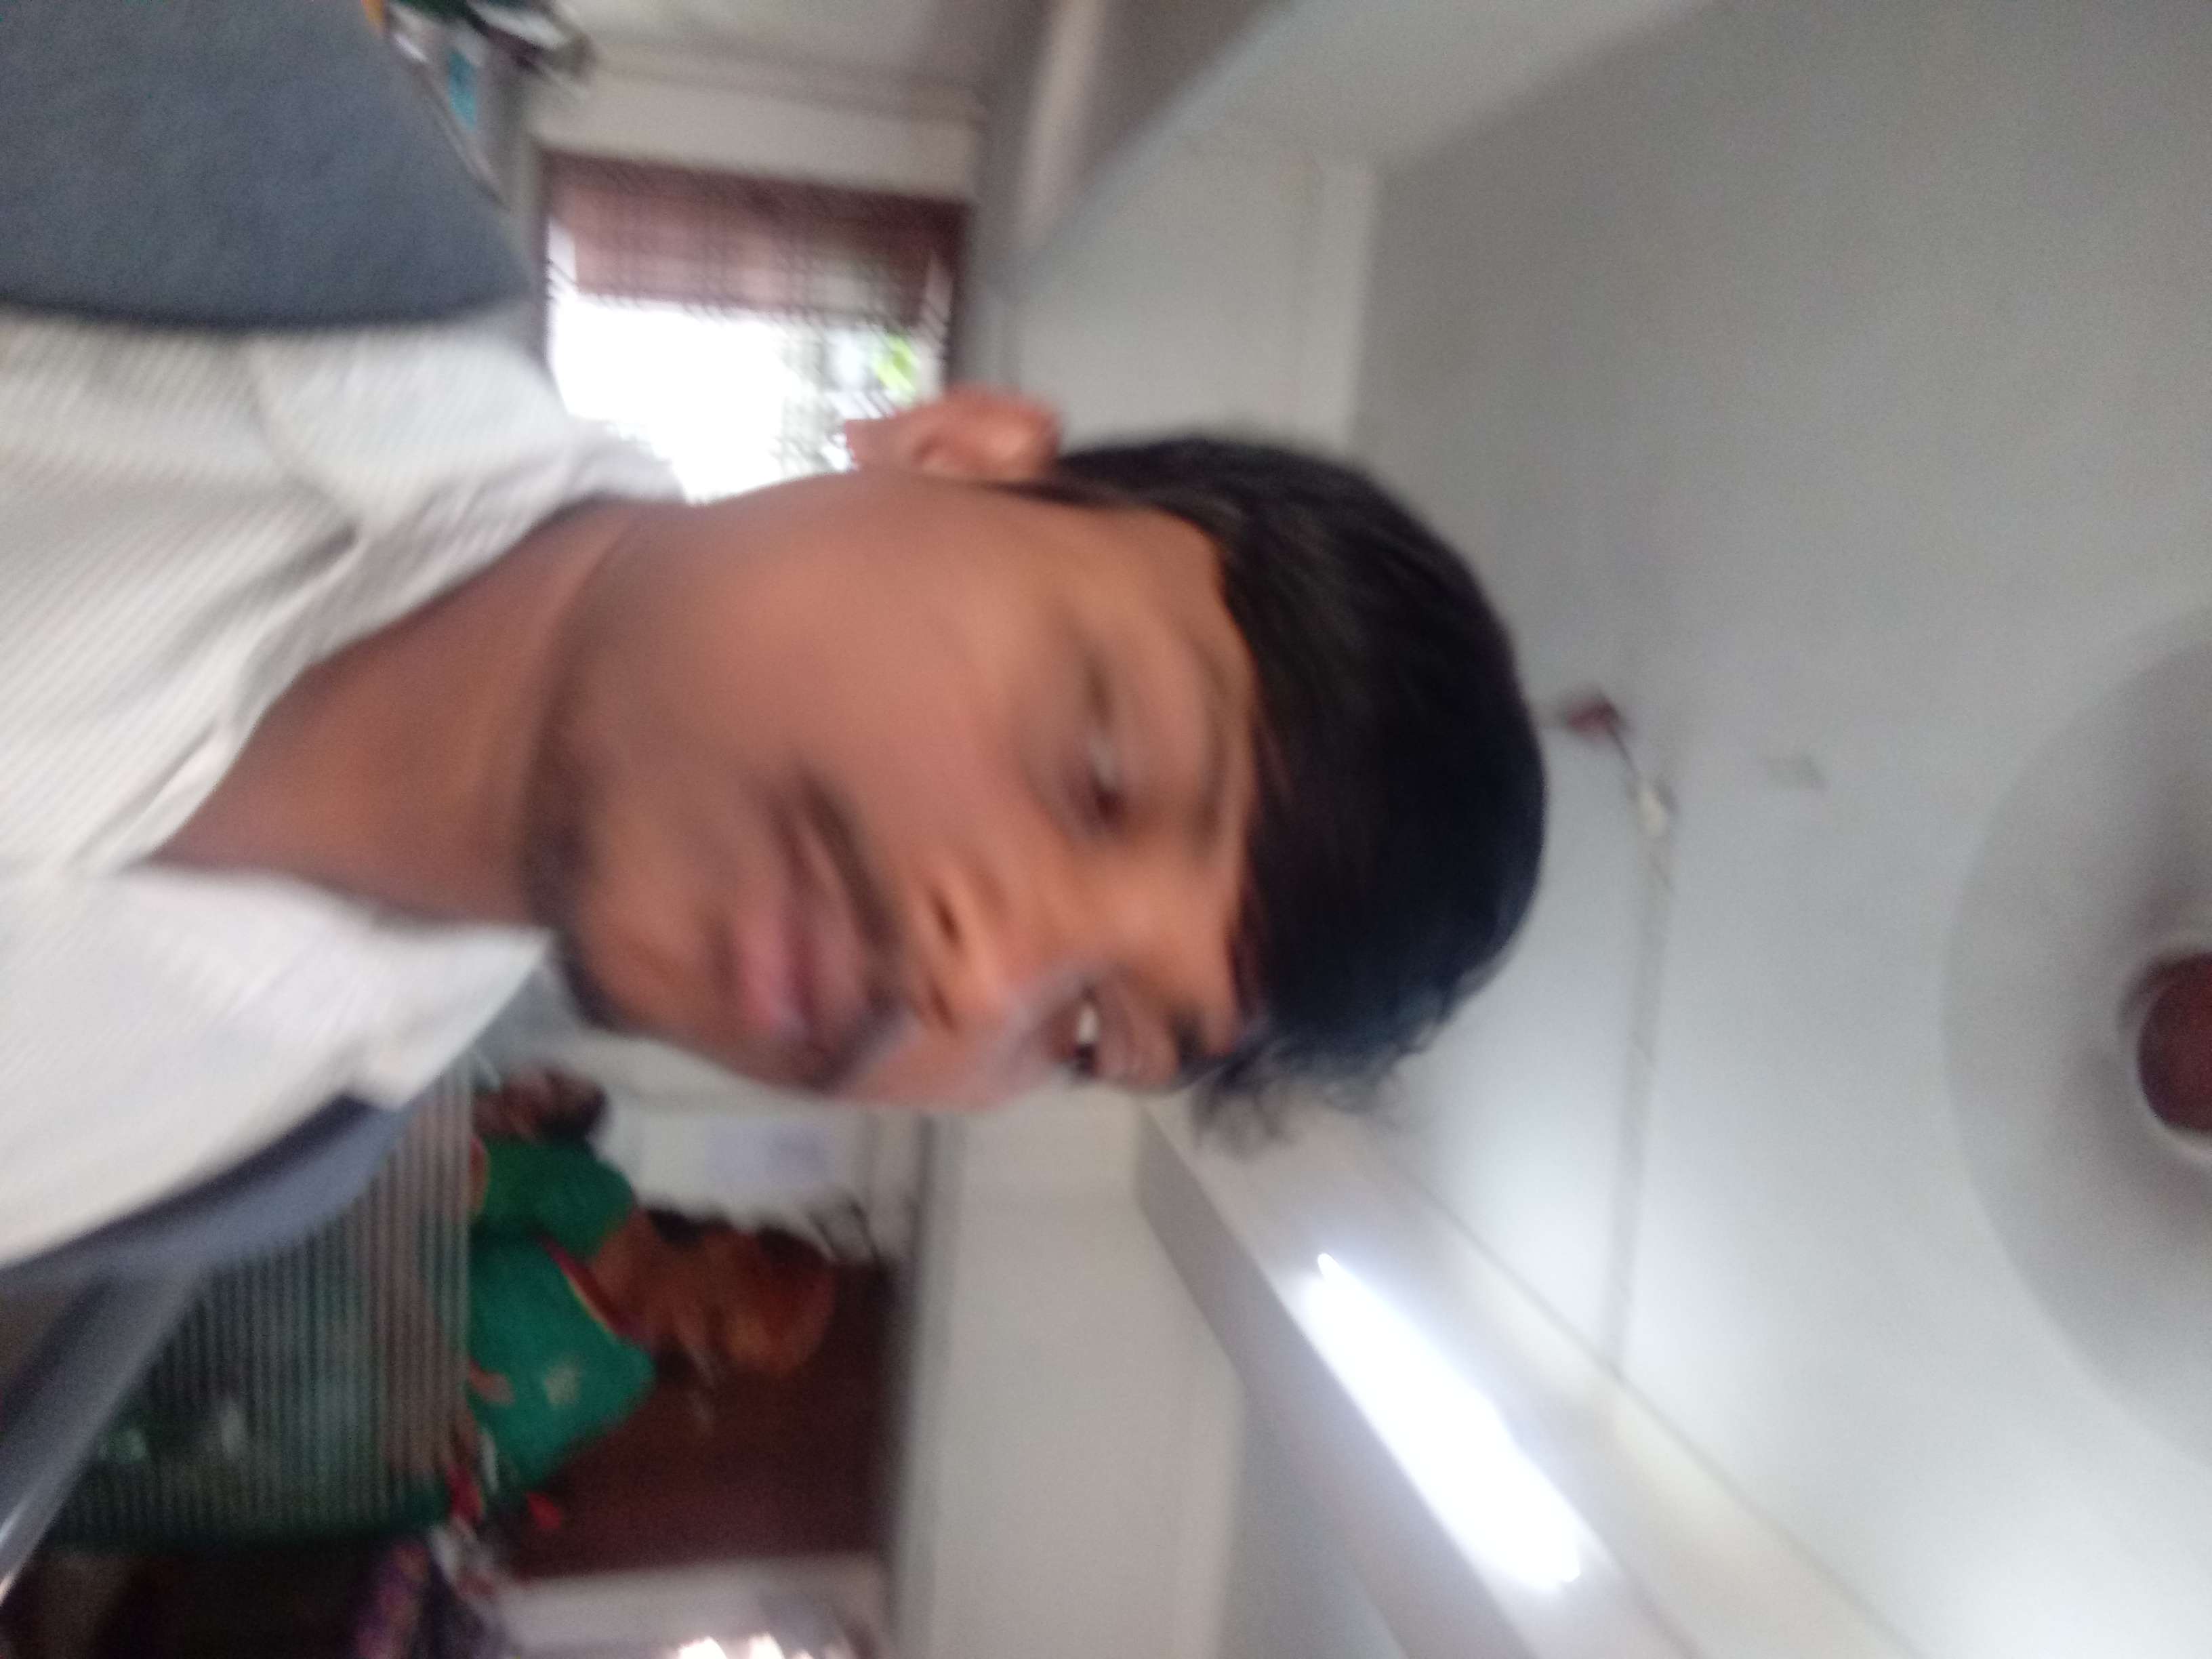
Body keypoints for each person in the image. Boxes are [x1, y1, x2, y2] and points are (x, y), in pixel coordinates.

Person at [0, 14, 1545, 1270]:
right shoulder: (176, 84)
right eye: (1098, 767)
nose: (981, 980)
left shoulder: (257, 1156)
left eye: (1088, 1031)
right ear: (957, 448)